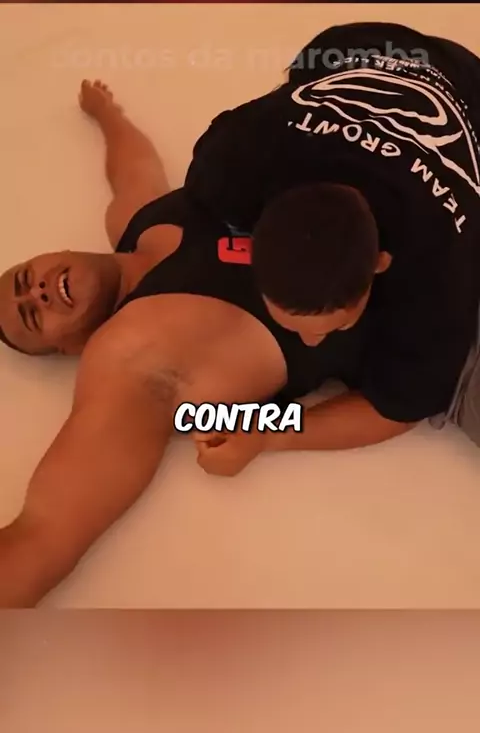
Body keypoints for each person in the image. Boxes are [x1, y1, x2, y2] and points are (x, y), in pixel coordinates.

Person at [1, 79, 402, 608]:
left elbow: (132, 168)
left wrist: (106, 114)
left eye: (24, 278)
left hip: (404, 184)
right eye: (32, 316)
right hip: (445, 328)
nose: (37, 293)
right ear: (68, 350)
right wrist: (267, 435)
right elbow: (45, 537)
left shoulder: (139, 222)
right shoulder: (129, 368)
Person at [185, 21, 480, 455]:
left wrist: (266, 437)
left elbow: (400, 408)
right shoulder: (233, 165)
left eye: (336, 325)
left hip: (467, 86)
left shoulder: (439, 260)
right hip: (354, 47)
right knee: (310, 61)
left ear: (381, 263)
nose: (312, 343)